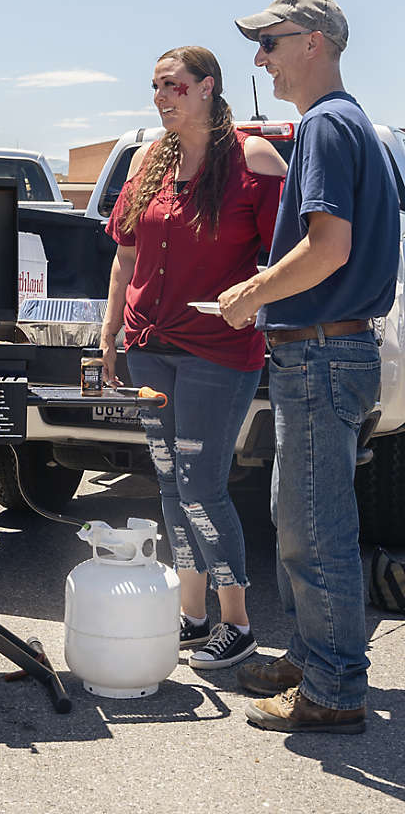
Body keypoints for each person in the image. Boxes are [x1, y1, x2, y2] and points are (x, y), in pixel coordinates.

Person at [221, 0, 399, 733]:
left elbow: (328, 247)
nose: (259, 58)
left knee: (314, 526)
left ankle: (332, 690)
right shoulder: (347, 123)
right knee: (298, 516)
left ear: (316, 42)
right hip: (332, 352)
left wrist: (251, 293)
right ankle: (312, 655)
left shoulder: (326, 124)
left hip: (323, 355)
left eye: (271, 40)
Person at [100, 46, 286, 670]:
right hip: (150, 347)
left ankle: (237, 622)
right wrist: (108, 331)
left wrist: (255, 299)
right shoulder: (152, 159)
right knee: (170, 482)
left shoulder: (253, 160)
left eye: (174, 86)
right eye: (156, 86)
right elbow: (126, 254)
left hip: (217, 351)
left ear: (208, 87)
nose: (162, 97)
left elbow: (292, 254)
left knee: (204, 484)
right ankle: (192, 614)